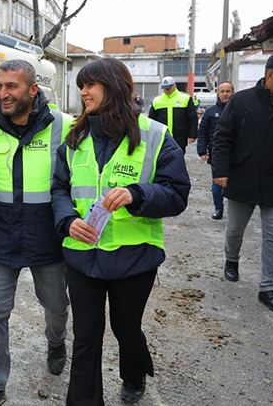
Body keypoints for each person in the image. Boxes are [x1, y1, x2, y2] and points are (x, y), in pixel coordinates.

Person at [52, 58, 190, 405]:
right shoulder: (75, 138)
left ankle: (135, 372)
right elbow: (59, 190)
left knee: (125, 329)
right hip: (82, 255)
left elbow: (177, 194)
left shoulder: (155, 135)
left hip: (134, 256)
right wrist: (67, 220)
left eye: (90, 85)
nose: (83, 92)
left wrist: (137, 194)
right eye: (82, 86)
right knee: (86, 335)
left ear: (113, 87)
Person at [0, 60, 71, 406]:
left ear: (32, 90)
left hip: (48, 235)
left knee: (56, 305)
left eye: (11, 87)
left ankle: (56, 341)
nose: (2, 94)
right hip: (0, 235)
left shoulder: (64, 125)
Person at [212, 53, 273, 315]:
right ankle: (231, 260)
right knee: (235, 228)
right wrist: (220, 170)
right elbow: (222, 137)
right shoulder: (241, 101)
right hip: (242, 177)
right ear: (270, 75)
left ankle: (268, 288)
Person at [196, 81, 235, 220]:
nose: (225, 94)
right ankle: (218, 209)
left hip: (236, 154)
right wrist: (202, 150)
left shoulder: (240, 111)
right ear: (218, 93)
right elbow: (203, 132)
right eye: (222, 91)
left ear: (233, 93)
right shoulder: (211, 112)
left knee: (235, 183)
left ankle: (234, 212)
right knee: (217, 183)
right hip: (217, 154)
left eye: (228, 91)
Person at [148, 76, 198, 153]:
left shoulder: (185, 98)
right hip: (162, 137)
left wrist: (192, 135)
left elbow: (192, 118)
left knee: (178, 157)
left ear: (175, 86)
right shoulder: (157, 100)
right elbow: (151, 120)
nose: (167, 90)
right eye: (165, 88)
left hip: (180, 137)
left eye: (169, 88)